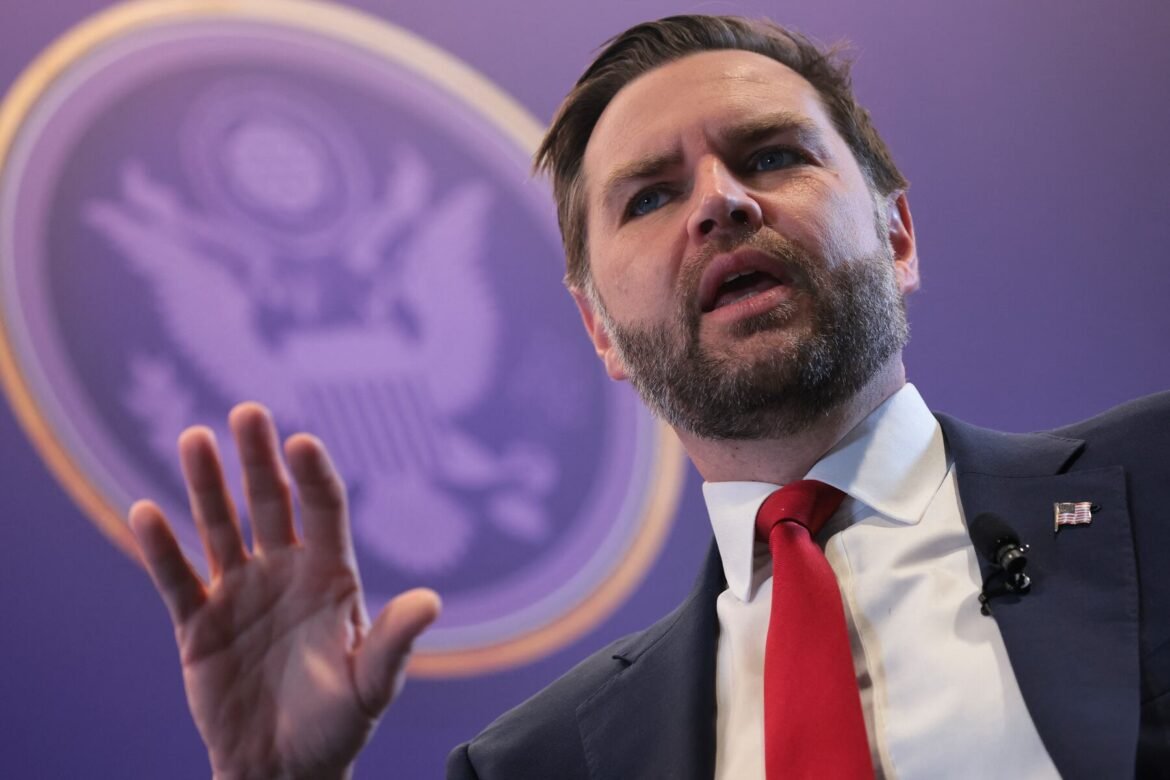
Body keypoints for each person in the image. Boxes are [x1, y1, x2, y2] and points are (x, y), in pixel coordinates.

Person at [129, 14, 1170, 780]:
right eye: (651, 197)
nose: (721, 202)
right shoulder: (533, 767)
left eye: (771, 155)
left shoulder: (1155, 488)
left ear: (896, 234)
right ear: (600, 331)